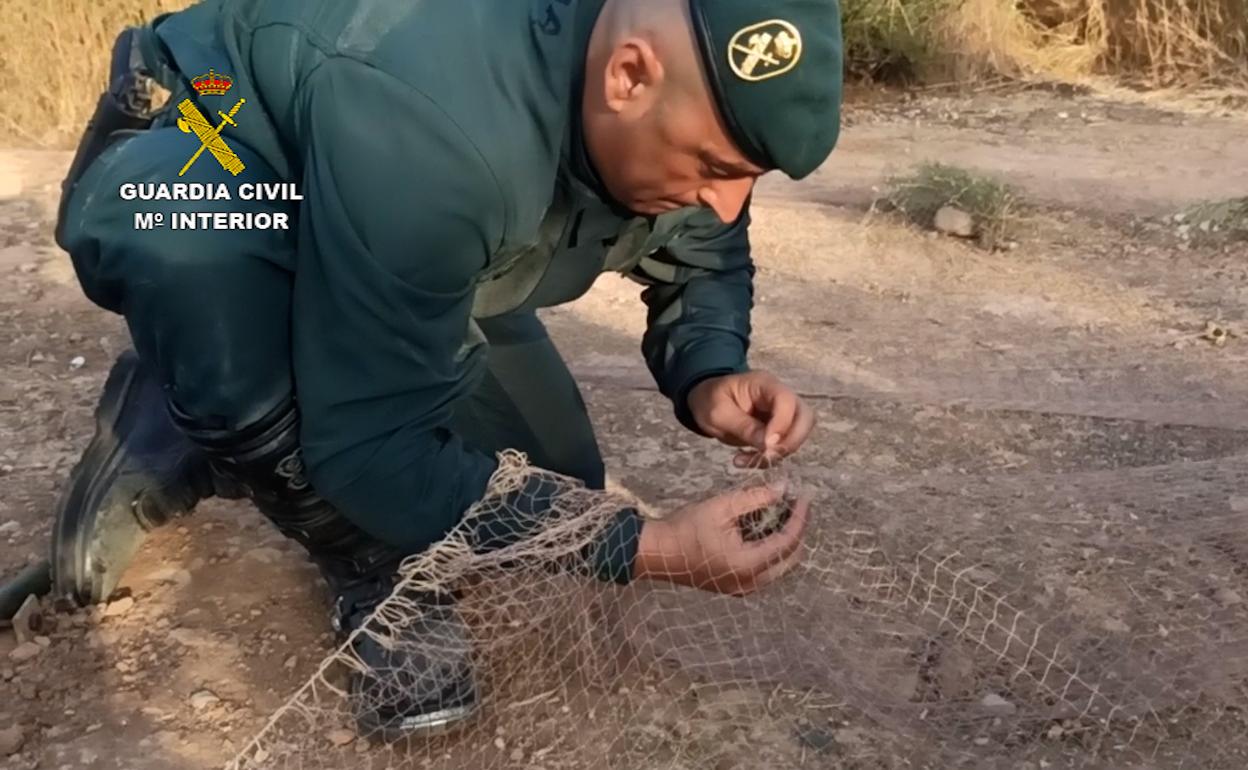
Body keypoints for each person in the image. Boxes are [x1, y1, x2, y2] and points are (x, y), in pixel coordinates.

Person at [52, 0, 842, 738]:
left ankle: (217, 396)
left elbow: (708, 251)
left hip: (389, 213)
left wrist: (709, 371)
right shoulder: (443, 125)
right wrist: (649, 547)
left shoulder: (667, 103)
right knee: (209, 267)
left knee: (550, 478)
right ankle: (347, 543)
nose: (730, 203)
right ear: (628, 76)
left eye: (748, 175)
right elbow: (374, 452)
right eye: (711, 164)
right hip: (211, 131)